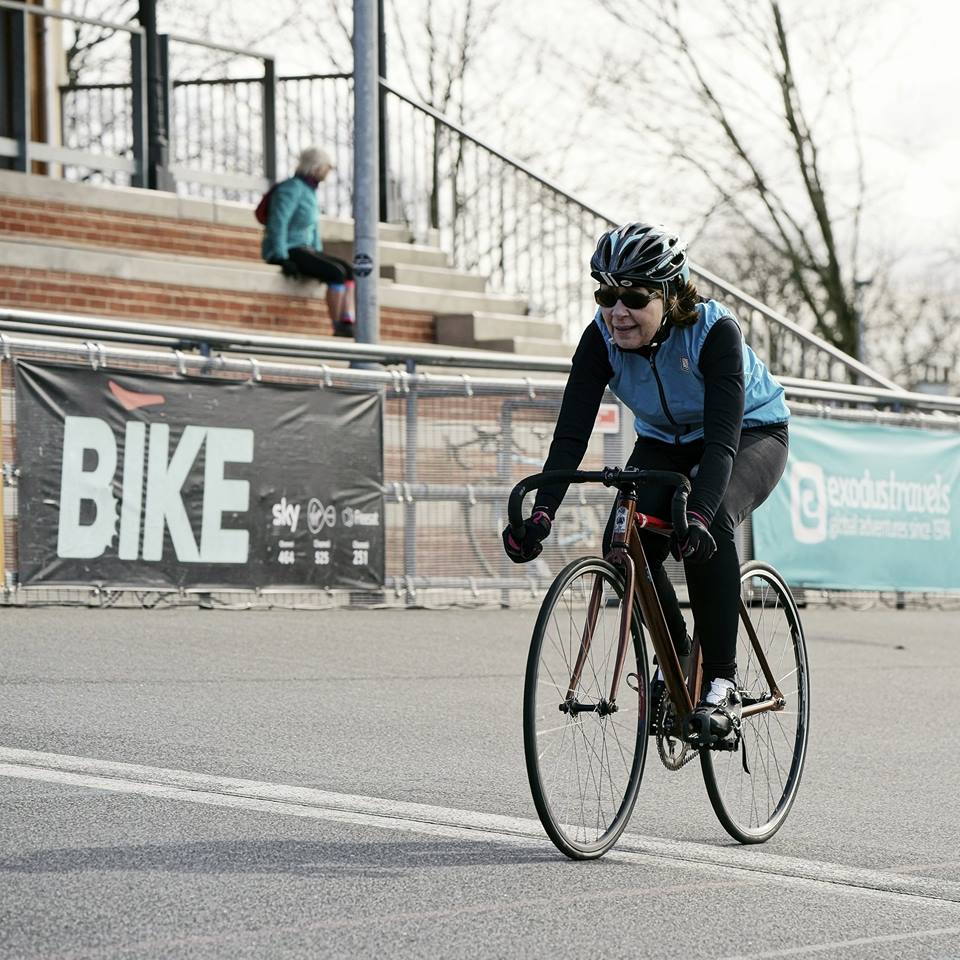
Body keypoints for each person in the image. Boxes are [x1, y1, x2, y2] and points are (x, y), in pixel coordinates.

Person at [501, 222, 790, 744]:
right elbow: (570, 436)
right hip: (665, 441)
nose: (617, 312)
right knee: (622, 541)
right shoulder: (600, 339)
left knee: (711, 523)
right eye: (606, 296)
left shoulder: (714, 334)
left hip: (749, 433)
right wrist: (541, 515)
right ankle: (677, 654)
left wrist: (698, 514)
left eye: (633, 298)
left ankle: (722, 682)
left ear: (670, 295)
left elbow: (721, 446)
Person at [261, 146, 356, 338]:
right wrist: (280, 256)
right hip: (289, 249)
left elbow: (312, 228)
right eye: (326, 168)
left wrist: (318, 253)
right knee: (335, 273)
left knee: (348, 270)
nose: (327, 173)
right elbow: (278, 222)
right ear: (315, 167)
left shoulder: (309, 191)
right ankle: (338, 325)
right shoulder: (291, 188)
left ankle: (347, 319)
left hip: (305, 249)